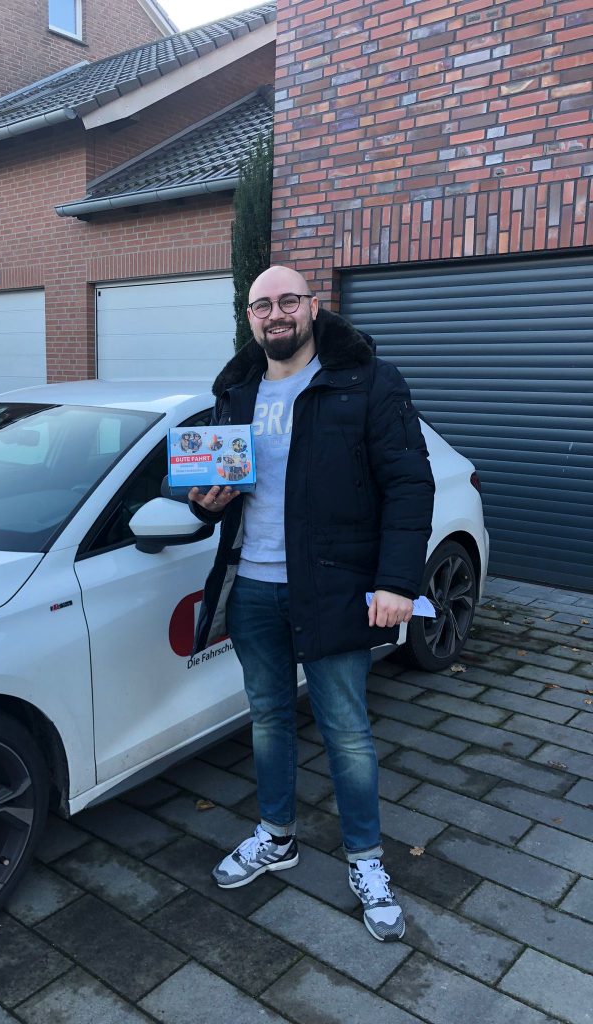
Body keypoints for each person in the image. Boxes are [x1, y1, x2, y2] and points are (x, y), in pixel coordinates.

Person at [188, 265, 434, 942]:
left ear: (313, 306)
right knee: (268, 719)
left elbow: (409, 485)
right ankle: (276, 835)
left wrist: (397, 583)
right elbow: (217, 485)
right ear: (249, 317)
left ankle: (366, 860)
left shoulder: (368, 381)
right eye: (261, 305)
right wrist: (204, 504)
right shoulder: (236, 389)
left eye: (288, 300)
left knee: (346, 730)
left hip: (332, 586)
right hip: (252, 587)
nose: (276, 314)